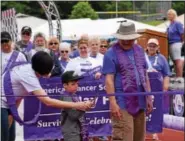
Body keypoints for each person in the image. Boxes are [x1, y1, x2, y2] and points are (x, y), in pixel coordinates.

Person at [1, 51, 93, 141]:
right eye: (49, 69)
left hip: (8, 104)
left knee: (10, 138)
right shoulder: (29, 76)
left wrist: (12, 113)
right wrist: (78, 105)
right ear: (43, 69)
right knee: (4, 137)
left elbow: (18, 94)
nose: (50, 73)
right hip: (2, 104)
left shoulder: (30, 69)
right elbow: (47, 102)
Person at [102, 21, 153, 141]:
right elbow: (109, 80)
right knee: (123, 136)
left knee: (139, 138)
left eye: (129, 39)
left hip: (140, 101)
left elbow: (144, 74)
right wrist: (113, 103)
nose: (126, 41)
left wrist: (148, 96)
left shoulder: (139, 50)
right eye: (123, 38)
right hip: (122, 103)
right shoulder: (110, 53)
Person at [146, 38, 171, 140]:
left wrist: (165, 88)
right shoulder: (142, 58)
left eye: (154, 46)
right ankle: (142, 132)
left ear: (158, 47)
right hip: (144, 89)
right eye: (150, 45)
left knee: (156, 111)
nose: (152, 47)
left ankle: (154, 133)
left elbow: (166, 74)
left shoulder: (162, 59)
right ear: (146, 46)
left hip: (157, 89)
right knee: (143, 110)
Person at [61, 71, 91, 141]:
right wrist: (84, 107)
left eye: (77, 83)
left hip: (77, 130)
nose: (76, 86)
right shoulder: (65, 96)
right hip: (71, 132)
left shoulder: (74, 95)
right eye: (73, 84)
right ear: (65, 85)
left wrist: (86, 106)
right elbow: (73, 115)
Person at [167, 9, 184, 77]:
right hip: (170, 44)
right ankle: (177, 77)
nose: (168, 15)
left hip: (177, 44)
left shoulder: (177, 23)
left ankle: (179, 78)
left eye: (170, 14)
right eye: (168, 14)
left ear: (174, 15)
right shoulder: (170, 24)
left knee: (178, 61)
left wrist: (182, 42)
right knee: (174, 62)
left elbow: (182, 33)